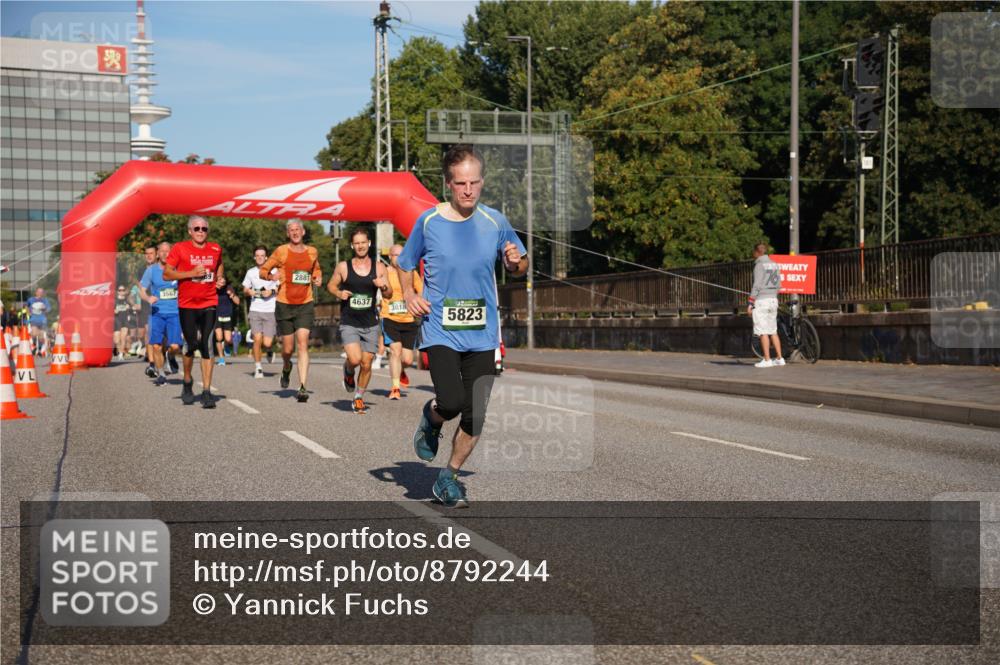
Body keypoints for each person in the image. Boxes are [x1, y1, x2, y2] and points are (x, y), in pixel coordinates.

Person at [398, 144, 527, 508]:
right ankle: (432, 416)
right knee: (452, 402)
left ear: (482, 182)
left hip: (483, 332)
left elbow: (521, 265)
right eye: (460, 183)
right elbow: (405, 263)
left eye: (474, 182)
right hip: (441, 328)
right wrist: (409, 294)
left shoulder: (495, 222)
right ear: (448, 185)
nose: (468, 190)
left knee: (476, 413)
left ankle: (448, 477)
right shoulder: (429, 221)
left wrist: (516, 262)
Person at [163, 215, 225, 408]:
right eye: (196, 228)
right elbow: (167, 273)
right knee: (190, 345)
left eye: (204, 229)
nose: (200, 232)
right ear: (190, 231)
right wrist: (191, 274)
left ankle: (207, 391)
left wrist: (220, 279)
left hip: (209, 302)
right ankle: (188, 380)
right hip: (187, 304)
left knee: (207, 344)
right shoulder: (180, 248)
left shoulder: (215, 248)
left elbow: (219, 265)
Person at [327, 228, 391, 414]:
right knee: (354, 359)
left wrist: (383, 285)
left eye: (363, 242)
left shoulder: (379, 267)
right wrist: (339, 292)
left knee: (366, 363)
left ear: (369, 243)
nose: (361, 246)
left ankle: (358, 397)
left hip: (370, 323)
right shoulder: (343, 267)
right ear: (352, 245)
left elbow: (389, 293)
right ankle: (348, 371)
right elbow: (331, 285)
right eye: (357, 243)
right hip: (349, 321)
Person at [260, 218, 322, 402]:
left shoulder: (312, 252)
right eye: (291, 230)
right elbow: (263, 270)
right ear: (288, 234)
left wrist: (317, 278)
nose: (295, 233)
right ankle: (287, 366)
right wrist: (272, 275)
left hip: (305, 303)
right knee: (287, 349)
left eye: (298, 229)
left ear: (303, 232)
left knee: (302, 342)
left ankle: (302, 386)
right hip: (285, 303)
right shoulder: (281, 251)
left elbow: (316, 270)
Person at [381, 243, 423, 400]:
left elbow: (422, 291)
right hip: (389, 317)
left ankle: (401, 370)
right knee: (395, 351)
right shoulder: (384, 272)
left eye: (400, 255)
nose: (398, 258)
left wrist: (420, 302)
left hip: (408, 320)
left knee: (407, 359)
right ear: (390, 257)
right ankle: (395, 388)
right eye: (395, 255)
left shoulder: (411, 273)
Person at [139, 241, 183, 386]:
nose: (165, 254)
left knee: (175, 346)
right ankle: (161, 374)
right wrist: (148, 298)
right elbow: (142, 290)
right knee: (156, 346)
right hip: (157, 313)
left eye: (167, 251)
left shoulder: (178, 269)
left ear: (172, 253)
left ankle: (170, 355)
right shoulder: (151, 271)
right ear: (158, 254)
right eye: (162, 251)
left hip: (174, 313)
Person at [242, 245, 278, 379]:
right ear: (254, 257)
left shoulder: (274, 271)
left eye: (262, 255)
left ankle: (269, 350)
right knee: (257, 339)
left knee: (267, 342)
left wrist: (272, 291)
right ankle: (258, 368)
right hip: (255, 310)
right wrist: (249, 291)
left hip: (270, 310)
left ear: (266, 257)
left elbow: (282, 288)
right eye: (257, 255)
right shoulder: (250, 272)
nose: (259, 258)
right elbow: (244, 289)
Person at [748, 241, 785, 368]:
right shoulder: (774, 264)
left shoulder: (759, 265)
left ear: (758, 252)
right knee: (773, 330)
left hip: (762, 301)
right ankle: (780, 358)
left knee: (763, 331)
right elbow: (779, 285)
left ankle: (767, 359)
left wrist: (750, 303)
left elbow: (757, 285)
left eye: (754, 252)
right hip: (773, 299)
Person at [213, 278, 240, 366]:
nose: (222, 283)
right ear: (216, 281)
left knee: (228, 339)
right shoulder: (212, 289)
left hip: (227, 316)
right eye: (220, 281)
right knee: (219, 337)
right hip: (217, 316)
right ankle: (221, 359)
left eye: (223, 282)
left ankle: (227, 345)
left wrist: (232, 295)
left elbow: (238, 302)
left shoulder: (229, 288)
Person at [138, 244, 157, 372]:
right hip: (146, 303)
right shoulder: (141, 270)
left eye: (151, 253)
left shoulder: (161, 268)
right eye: (146, 253)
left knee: (161, 333)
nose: (148, 255)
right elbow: (140, 287)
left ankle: (160, 354)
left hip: (160, 302)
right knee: (148, 330)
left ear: (156, 255)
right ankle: (151, 360)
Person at [26, 287, 51, 355]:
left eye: (41, 292)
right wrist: (28, 312)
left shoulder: (45, 300)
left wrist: (44, 309)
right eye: (39, 292)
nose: (40, 293)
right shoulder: (31, 299)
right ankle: (33, 345)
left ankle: (39, 350)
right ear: (36, 292)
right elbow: (26, 306)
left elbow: (48, 309)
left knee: (41, 337)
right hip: (34, 320)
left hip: (42, 321)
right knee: (34, 333)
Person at [112, 285, 132, 360]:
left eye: (123, 290)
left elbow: (131, 310)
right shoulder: (114, 300)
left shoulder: (127, 300)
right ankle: (119, 351)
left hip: (125, 320)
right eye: (120, 290)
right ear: (117, 291)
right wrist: (114, 311)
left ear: (125, 291)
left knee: (123, 338)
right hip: (117, 319)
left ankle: (121, 354)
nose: (121, 291)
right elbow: (109, 310)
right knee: (117, 339)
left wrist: (129, 310)